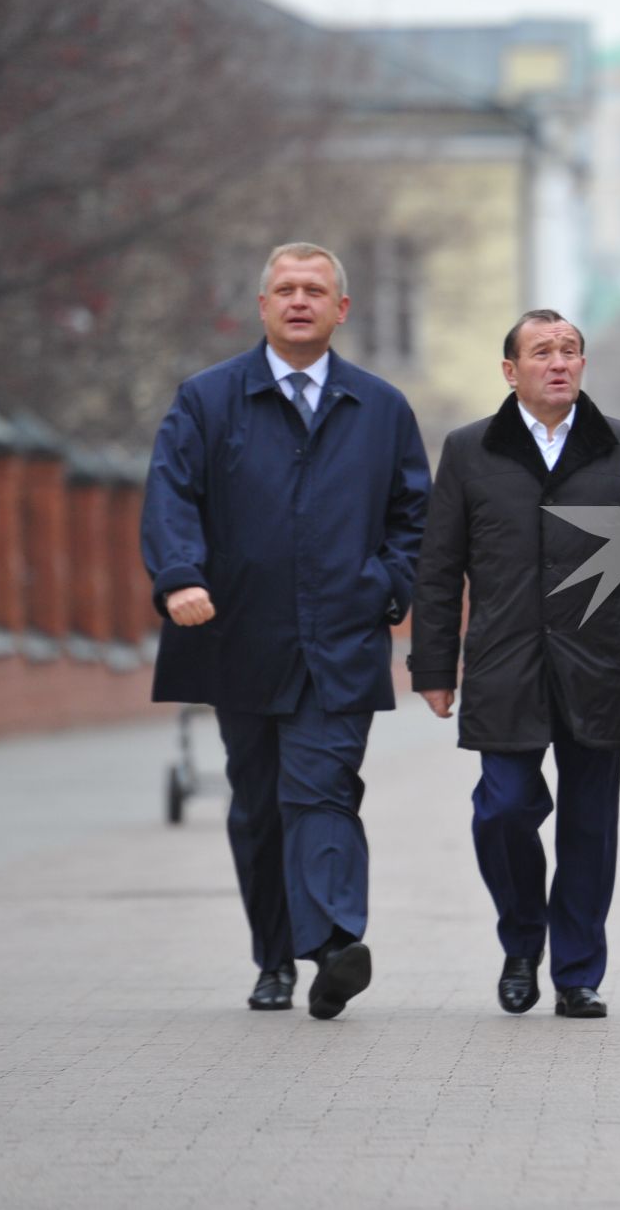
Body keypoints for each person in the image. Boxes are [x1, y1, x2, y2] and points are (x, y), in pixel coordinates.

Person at [141, 242, 429, 1019]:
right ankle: (273, 957)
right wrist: (181, 577)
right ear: (263, 306)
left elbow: (415, 516)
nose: (299, 300)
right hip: (241, 632)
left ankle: (335, 946)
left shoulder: (381, 407)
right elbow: (170, 494)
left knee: (324, 788)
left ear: (341, 309)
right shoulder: (207, 399)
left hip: (342, 633)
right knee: (259, 803)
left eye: (316, 289)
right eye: (285, 288)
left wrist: (387, 585)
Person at [410, 309, 620, 1018]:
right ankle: (521, 937)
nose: (558, 362)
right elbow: (439, 570)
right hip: (505, 666)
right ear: (511, 371)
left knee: (590, 825)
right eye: (541, 352)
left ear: (583, 365)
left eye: (570, 350)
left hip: (597, 666)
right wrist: (433, 668)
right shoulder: (470, 450)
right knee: (502, 809)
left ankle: (577, 971)